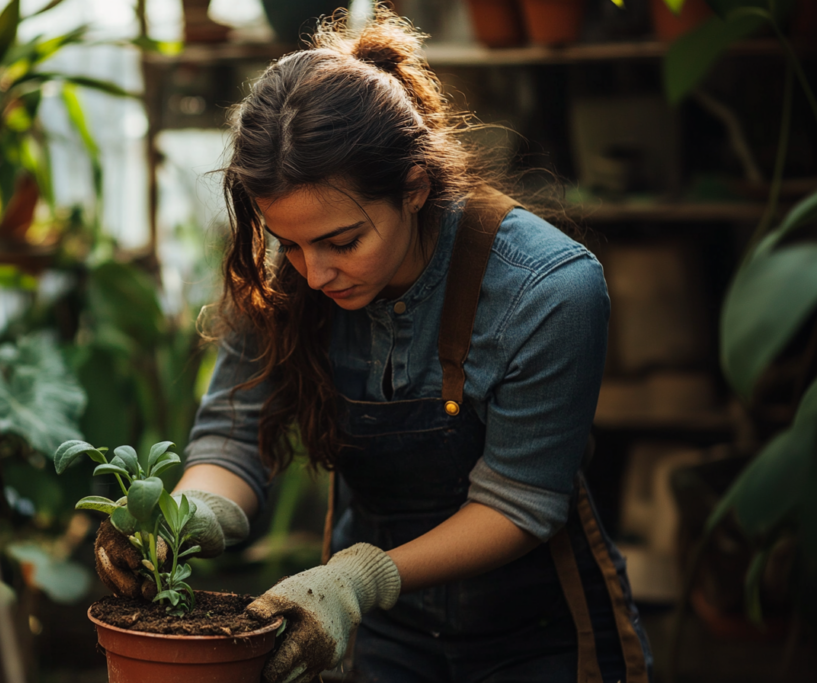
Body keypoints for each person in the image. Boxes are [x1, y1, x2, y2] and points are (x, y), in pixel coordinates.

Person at [96, 8, 652, 683]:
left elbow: (519, 503)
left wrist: (359, 576)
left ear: (414, 188)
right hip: (385, 634)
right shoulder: (289, 280)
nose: (313, 272)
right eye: (289, 243)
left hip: (539, 634)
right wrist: (189, 517)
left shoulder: (549, 290)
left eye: (342, 241)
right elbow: (233, 438)